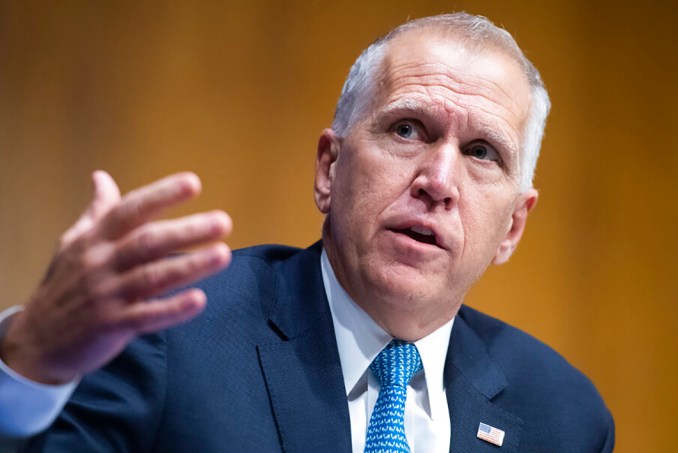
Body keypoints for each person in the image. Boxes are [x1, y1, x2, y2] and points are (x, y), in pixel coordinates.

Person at [0, 12, 614, 452]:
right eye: (407, 130)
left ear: (513, 226)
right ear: (329, 168)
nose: (439, 179)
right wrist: (27, 368)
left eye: (482, 152)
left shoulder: (563, 417)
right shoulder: (170, 333)